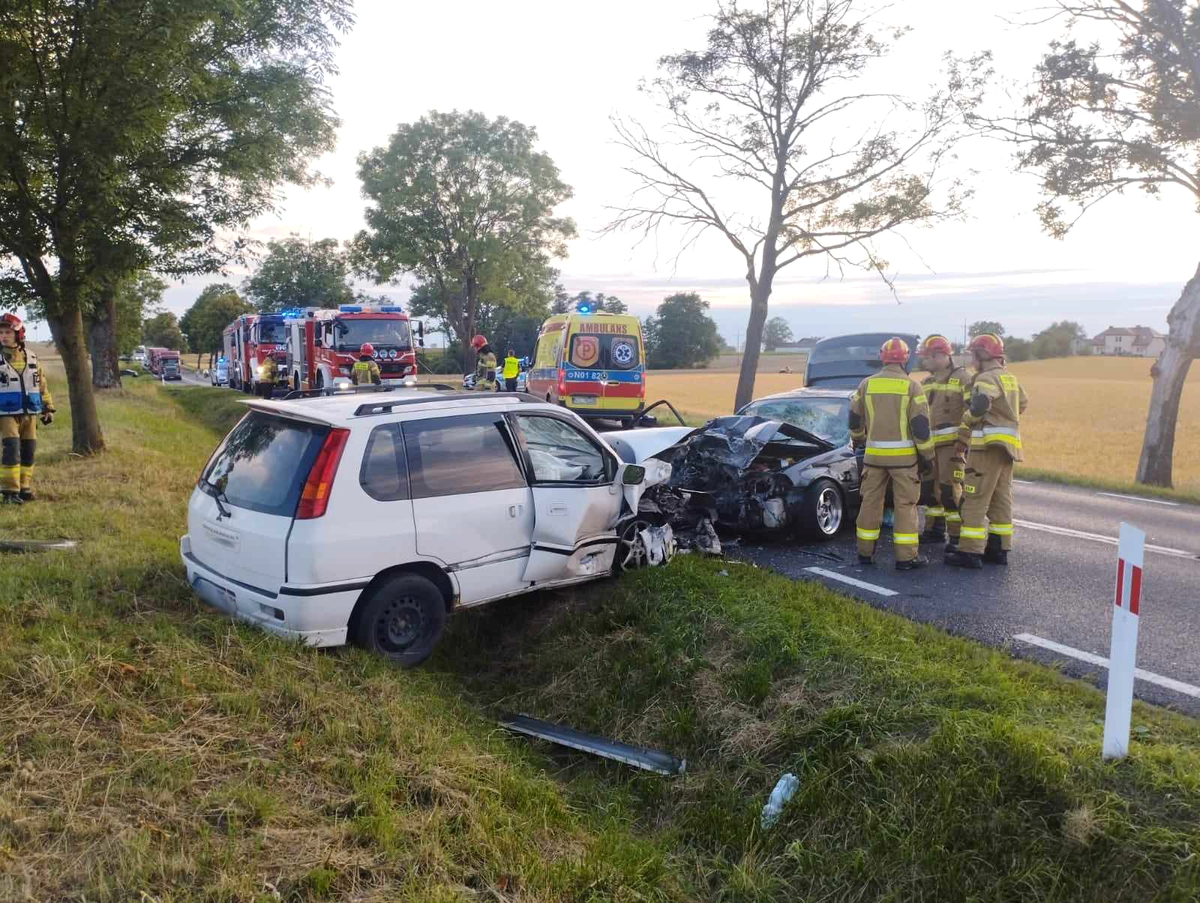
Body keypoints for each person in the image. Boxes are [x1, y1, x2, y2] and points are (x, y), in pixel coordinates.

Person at [849, 338, 936, 570]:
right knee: (905, 506)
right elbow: (920, 426)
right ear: (906, 358)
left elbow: (854, 418)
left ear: (882, 357)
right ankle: (906, 558)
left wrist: (859, 439)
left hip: (873, 458)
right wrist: (927, 456)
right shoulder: (912, 386)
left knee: (870, 503)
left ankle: (865, 554)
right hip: (904, 461)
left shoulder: (866, 384)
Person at [946, 333, 1029, 569]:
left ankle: (969, 552)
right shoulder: (1010, 378)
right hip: (1008, 449)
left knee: (974, 497)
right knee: (1001, 499)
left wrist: (968, 418)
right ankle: (999, 549)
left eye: (973, 354)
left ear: (982, 355)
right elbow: (1023, 403)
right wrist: (1005, 414)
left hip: (986, 448)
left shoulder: (985, 379)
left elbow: (981, 403)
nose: (972, 359)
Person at [917, 334, 973, 550]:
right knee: (930, 491)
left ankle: (957, 537)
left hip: (953, 447)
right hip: (930, 448)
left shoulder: (963, 379)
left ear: (941, 355)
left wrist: (963, 440)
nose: (925, 362)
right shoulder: (927, 382)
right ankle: (934, 530)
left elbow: (973, 412)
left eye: (928, 357)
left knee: (950, 492)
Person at [0, 313, 54, 504]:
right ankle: (9, 492)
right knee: (11, 449)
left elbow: (41, 384)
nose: (4, 336)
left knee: (29, 450)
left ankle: (24, 487)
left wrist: (48, 407)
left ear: (18, 334)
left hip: (30, 412)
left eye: (7, 332)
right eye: (1, 333)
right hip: (6, 414)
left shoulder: (31, 357)